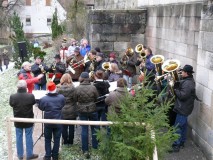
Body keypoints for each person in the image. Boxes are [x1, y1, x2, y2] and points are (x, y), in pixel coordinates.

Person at [9, 80, 38, 160]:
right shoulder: (30, 96)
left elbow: (11, 104)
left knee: (19, 137)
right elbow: (33, 103)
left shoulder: (13, 96)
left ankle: (20, 155)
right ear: (26, 87)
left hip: (17, 119)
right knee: (29, 136)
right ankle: (29, 154)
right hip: (28, 119)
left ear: (17, 87)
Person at [170, 64, 196, 152]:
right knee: (183, 126)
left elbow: (182, 96)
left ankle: (176, 145)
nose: (181, 73)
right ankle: (181, 142)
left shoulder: (188, 83)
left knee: (177, 127)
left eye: (183, 72)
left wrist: (175, 89)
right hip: (184, 107)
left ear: (187, 73)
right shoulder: (187, 80)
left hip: (183, 108)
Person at [38, 81, 65, 160]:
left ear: (47, 89)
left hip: (48, 122)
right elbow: (63, 105)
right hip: (58, 121)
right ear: (55, 88)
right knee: (57, 139)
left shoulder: (43, 99)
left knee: (47, 139)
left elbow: (41, 108)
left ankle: (48, 156)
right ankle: (55, 155)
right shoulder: (61, 97)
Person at [75, 72, 99, 158]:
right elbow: (97, 98)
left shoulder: (77, 88)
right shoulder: (93, 87)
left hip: (82, 110)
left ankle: (85, 149)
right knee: (94, 128)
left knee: (84, 129)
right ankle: (95, 146)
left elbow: (75, 99)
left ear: (81, 78)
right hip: (92, 109)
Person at [57, 73, 77, 146]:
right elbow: (75, 99)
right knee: (71, 127)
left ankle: (65, 142)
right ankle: (71, 142)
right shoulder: (73, 88)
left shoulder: (59, 89)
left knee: (64, 127)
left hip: (62, 109)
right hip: (72, 109)